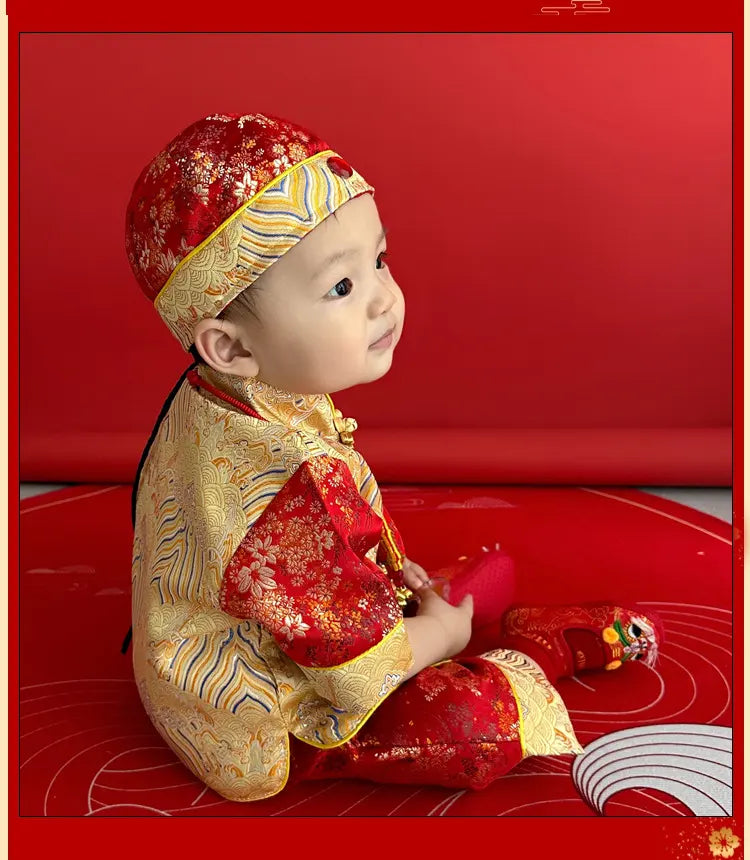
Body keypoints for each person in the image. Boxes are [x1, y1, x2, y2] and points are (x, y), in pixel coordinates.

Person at [125, 112, 662, 802]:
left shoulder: (218, 394)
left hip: (206, 650)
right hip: (261, 721)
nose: (384, 297)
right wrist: (442, 633)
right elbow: (349, 677)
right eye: (341, 288)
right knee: (471, 728)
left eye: (378, 260)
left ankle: (410, 600)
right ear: (230, 346)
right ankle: (542, 647)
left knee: (395, 592)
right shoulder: (295, 491)